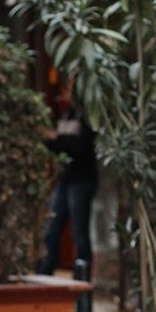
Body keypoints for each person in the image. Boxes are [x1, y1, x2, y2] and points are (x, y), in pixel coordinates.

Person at [36, 79, 97, 276]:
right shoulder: (66, 113)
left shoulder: (87, 116)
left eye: (69, 87)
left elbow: (81, 148)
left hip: (81, 180)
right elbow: (59, 148)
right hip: (64, 179)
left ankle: (82, 280)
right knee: (52, 228)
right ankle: (43, 275)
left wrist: (56, 138)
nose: (64, 92)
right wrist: (48, 139)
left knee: (79, 232)